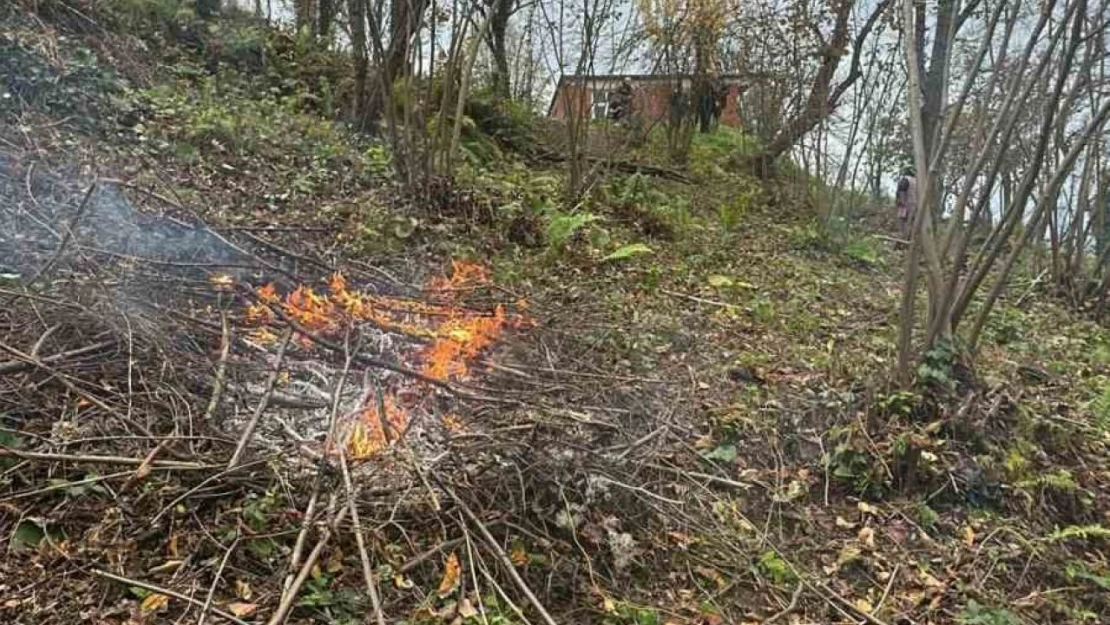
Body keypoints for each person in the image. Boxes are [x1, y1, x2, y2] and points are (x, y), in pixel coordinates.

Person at [895, 168, 917, 238]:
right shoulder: (916, 181)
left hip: (905, 203)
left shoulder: (905, 179)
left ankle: (902, 235)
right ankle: (908, 236)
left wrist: (902, 201)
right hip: (914, 203)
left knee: (902, 220)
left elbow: (902, 190)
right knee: (910, 221)